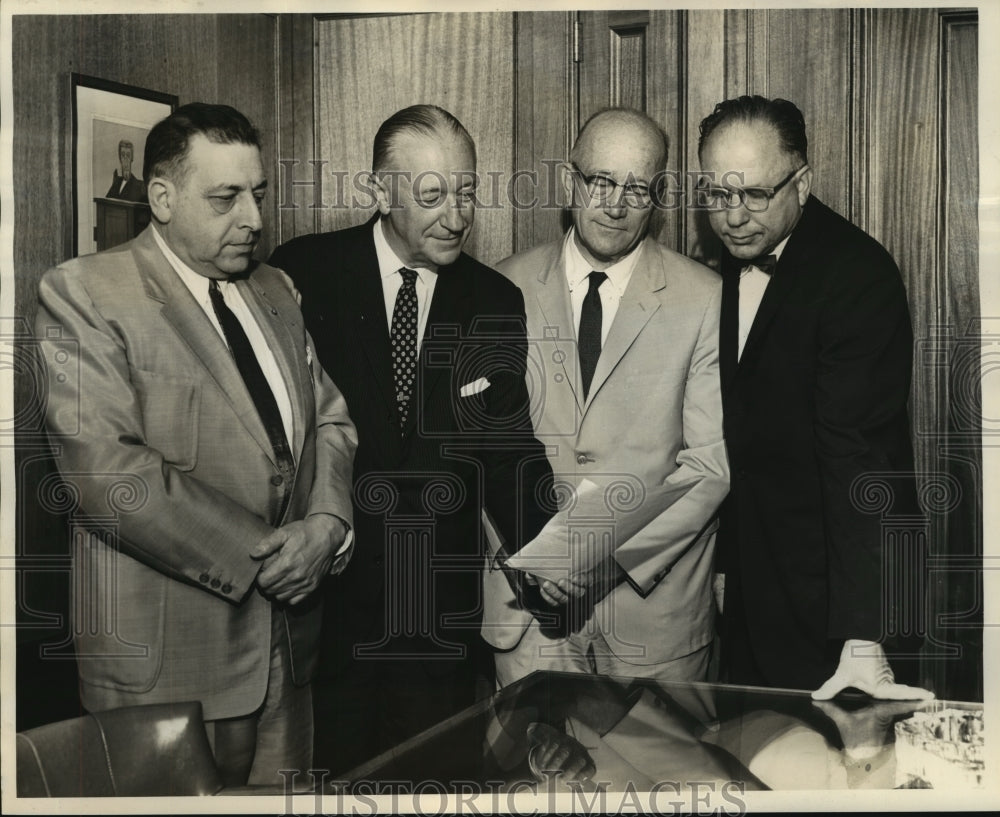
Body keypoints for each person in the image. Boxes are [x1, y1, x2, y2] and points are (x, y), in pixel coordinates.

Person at [35, 103, 358, 787]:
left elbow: (330, 419)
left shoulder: (275, 289)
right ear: (161, 197)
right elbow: (107, 474)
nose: (255, 220)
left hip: (289, 659)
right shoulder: (85, 294)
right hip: (168, 667)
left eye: (259, 194)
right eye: (226, 198)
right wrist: (274, 557)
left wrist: (326, 526)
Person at [268, 104, 554, 774]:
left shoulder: (492, 300)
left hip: (436, 627)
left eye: (466, 192)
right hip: (327, 614)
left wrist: (555, 550)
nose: (455, 216)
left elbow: (509, 451)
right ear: (379, 191)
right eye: (431, 196)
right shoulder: (301, 275)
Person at [482, 108, 729, 687]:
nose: (616, 205)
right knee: (532, 779)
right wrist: (540, 562)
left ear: (659, 196)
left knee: (660, 780)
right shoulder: (499, 286)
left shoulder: (706, 298)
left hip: (655, 622)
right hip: (527, 617)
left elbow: (708, 468)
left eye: (637, 188)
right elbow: (479, 445)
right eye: (600, 182)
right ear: (569, 182)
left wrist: (605, 564)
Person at [696, 95, 933, 699]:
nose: (733, 217)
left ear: (803, 182)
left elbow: (861, 459)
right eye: (717, 195)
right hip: (756, 591)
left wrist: (863, 635)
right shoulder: (716, 270)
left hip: (843, 605)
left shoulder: (858, 274)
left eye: (754, 194)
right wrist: (729, 564)